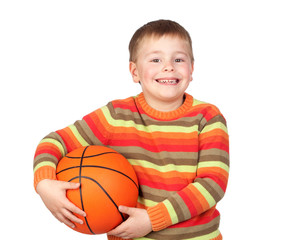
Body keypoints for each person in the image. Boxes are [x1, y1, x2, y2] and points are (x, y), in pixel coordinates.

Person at [33, 19, 229, 240]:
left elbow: (213, 184)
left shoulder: (208, 117)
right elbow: (54, 141)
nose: (168, 66)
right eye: (156, 59)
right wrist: (44, 183)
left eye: (178, 59)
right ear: (135, 71)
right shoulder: (116, 115)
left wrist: (152, 219)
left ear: (191, 69)